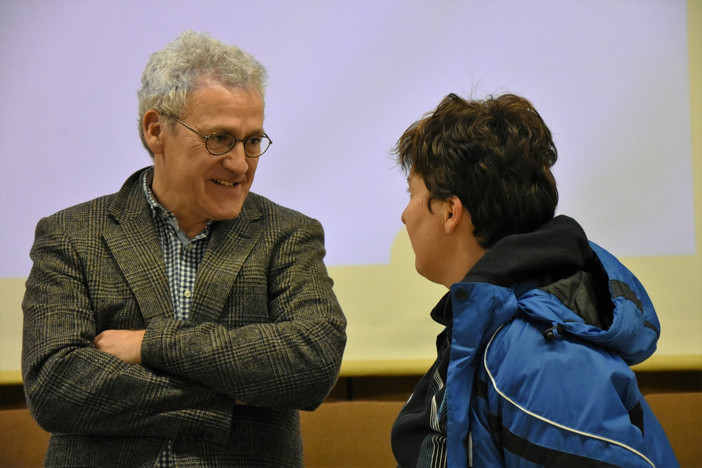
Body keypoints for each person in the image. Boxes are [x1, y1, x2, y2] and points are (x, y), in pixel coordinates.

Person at [22, 30, 346, 467]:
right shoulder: (72, 234)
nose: (240, 163)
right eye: (219, 139)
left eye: (252, 141)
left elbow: (312, 362)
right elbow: (55, 387)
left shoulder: (287, 234)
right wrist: (227, 398)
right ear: (156, 130)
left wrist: (152, 344)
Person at [389, 93, 678, 467]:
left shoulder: (542, 358)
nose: (404, 214)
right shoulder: (504, 331)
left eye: (412, 193)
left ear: (450, 212)